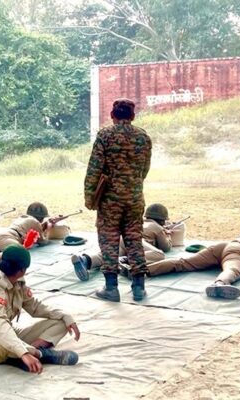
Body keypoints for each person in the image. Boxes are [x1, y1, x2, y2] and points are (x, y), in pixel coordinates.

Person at [0, 245, 80, 373]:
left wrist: (65, 315)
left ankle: (21, 357)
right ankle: (41, 355)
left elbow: (35, 307)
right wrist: (24, 352)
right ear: (22, 270)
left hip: (10, 333)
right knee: (6, 342)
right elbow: (1, 325)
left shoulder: (18, 282)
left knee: (61, 322)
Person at [84, 98, 152, 302]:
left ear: (112, 115)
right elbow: (145, 170)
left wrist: (90, 197)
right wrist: (132, 184)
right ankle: (139, 287)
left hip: (110, 200)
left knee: (109, 240)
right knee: (134, 239)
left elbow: (94, 169)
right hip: (135, 198)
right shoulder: (143, 137)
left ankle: (111, 288)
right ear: (133, 116)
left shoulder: (105, 135)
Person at [145, 211, 240, 300]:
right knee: (233, 270)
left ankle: (143, 270)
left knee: (183, 262)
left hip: (223, 247)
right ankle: (219, 284)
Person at [71, 203, 175, 281]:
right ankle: (125, 260)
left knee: (106, 256)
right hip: (136, 242)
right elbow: (166, 247)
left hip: (122, 238)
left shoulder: (140, 222)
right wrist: (167, 234)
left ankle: (85, 260)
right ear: (162, 220)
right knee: (159, 254)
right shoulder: (157, 227)